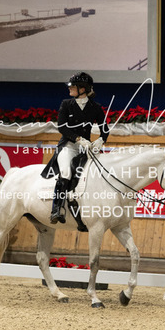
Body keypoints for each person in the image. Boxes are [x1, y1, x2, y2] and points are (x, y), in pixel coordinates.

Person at [41, 72, 109, 224]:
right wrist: (78, 139)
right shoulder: (66, 104)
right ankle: (56, 209)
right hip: (69, 146)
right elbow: (62, 127)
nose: (69, 88)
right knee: (65, 173)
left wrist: (101, 140)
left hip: (87, 148)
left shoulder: (95, 107)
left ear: (83, 89)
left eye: (73, 86)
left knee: (99, 171)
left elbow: (105, 129)